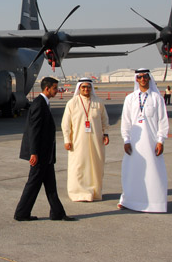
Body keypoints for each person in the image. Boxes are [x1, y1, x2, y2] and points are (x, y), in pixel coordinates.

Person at [14, 77, 75, 222]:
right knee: (33, 183)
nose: (56, 90)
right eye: (55, 88)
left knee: (50, 184)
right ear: (47, 88)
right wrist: (33, 153)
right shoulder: (39, 104)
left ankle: (57, 213)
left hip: (46, 153)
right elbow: (34, 130)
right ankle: (21, 213)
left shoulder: (43, 103)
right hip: (40, 154)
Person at [118, 68, 169, 213]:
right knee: (131, 172)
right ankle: (129, 201)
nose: (142, 79)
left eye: (145, 76)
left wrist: (160, 140)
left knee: (154, 172)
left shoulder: (157, 98)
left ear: (149, 78)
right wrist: (126, 140)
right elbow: (126, 121)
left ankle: (155, 203)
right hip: (134, 143)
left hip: (152, 142)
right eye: (139, 77)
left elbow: (163, 121)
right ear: (136, 79)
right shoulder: (130, 98)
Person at [61, 78, 110, 202]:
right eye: (83, 87)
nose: (86, 89)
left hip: (96, 141)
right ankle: (77, 193)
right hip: (77, 141)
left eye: (88, 87)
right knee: (78, 166)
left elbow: (105, 120)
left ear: (91, 88)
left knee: (96, 166)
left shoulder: (98, 103)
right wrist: (67, 140)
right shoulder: (72, 103)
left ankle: (94, 192)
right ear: (79, 88)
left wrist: (106, 134)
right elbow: (65, 124)